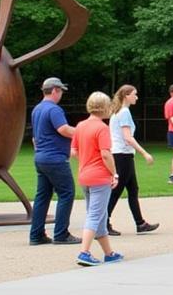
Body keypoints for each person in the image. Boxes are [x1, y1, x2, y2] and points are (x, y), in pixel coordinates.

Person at [71, 91, 124, 267]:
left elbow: (74, 151)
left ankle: (109, 253)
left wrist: (86, 163)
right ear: (104, 107)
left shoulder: (80, 126)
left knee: (100, 215)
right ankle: (84, 252)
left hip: (85, 175)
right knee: (95, 215)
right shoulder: (102, 128)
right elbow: (106, 154)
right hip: (100, 177)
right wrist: (114, 173)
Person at [29, 77, 80, 246]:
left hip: (41, 157)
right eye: (61, 91)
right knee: (67, 193)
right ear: (55, 90)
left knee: (42, 196)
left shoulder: (37, 109)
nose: (61, 95)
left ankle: (36, 235)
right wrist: (82, 133)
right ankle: (61, 234)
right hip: (55, 158)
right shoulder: (54, 109)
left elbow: (35, 137)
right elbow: (63, 129)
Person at [106, 85, 159, 236]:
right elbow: (128, 138)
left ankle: (140, 223)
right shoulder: (124, 112)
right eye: (134, 94)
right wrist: (145, 153)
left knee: (133, 189)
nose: (137, 97)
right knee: (116, 190)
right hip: (122, 155)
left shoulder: (117, 112)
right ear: (126, 96)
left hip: (122, 154)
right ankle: (103, 221)